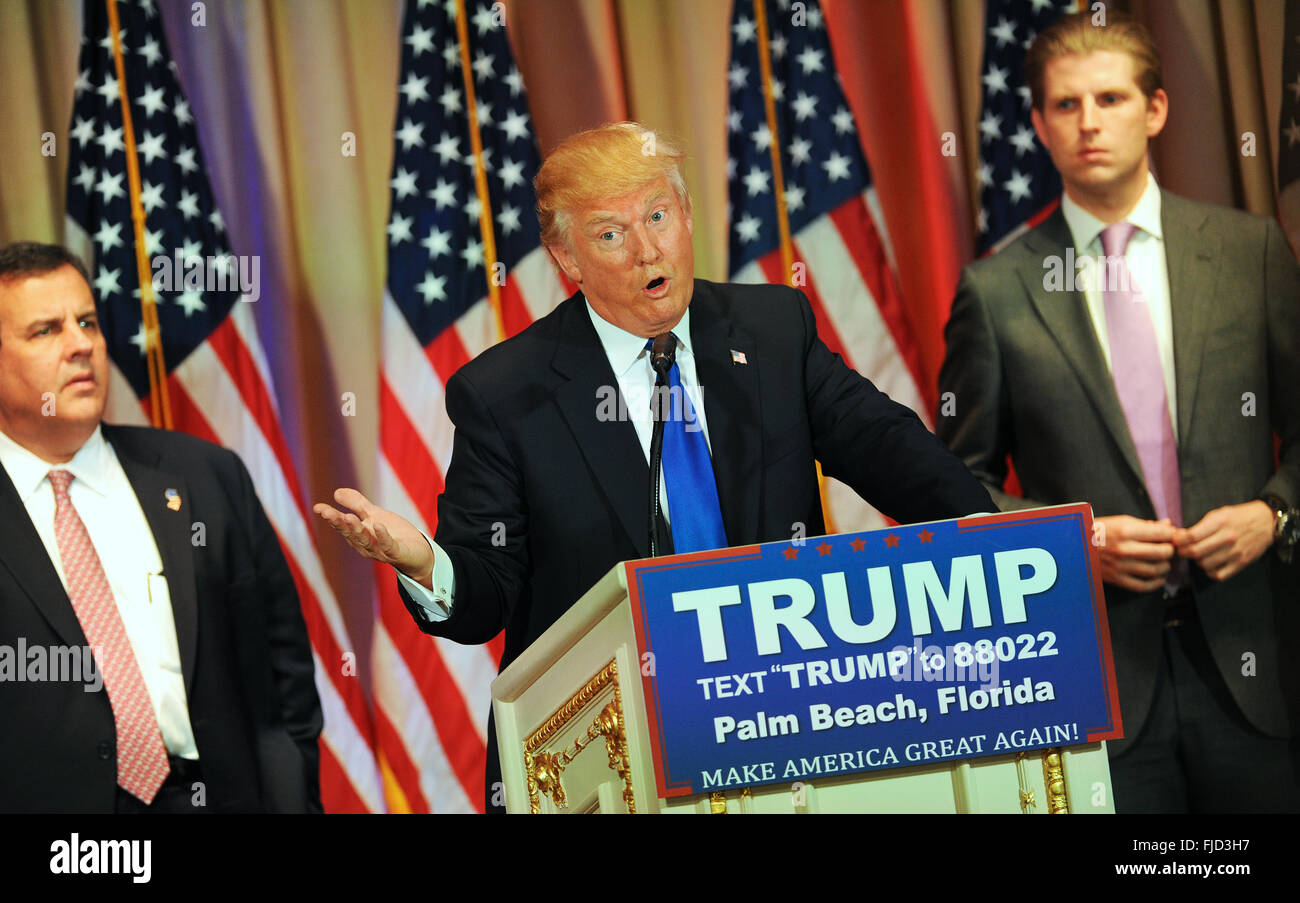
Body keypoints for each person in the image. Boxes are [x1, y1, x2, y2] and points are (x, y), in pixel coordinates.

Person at [316, 121, 995, 812]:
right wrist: (425, 563)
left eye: (659, 216)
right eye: (611, 233)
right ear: (566, 255)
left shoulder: (772, 330)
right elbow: (487, 590)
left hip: (781, 724)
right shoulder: (505, 393)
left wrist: (1000, 542)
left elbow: (893, 453)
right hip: (609, 753)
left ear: (686, 214)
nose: (648, 249)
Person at [938, 13, 1300, 812]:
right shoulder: (995, 293)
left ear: (1157, 109)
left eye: (1110, 97)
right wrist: (1074, 540)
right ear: (1036, 123)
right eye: (1065, 106)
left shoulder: (1251, 253)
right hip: (1094, 690)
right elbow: (952, 488)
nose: (1089, 122)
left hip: (1259, 668)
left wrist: (1275, 512)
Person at [0, 242, 323, 813]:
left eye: (88, 322)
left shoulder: (204, 476)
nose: (81, 345)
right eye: (46, 331)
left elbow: (285, 672)